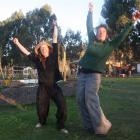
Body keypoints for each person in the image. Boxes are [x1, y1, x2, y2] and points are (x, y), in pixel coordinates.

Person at [77, 2, 140, 136]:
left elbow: (122, 35)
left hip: (94, 76)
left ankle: (102, 127)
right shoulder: (92, 39)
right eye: (99, 31)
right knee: (80, 99)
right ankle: (88, 126)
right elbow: (88, 25)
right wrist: (90, 11)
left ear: (106, 35)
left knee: (90, 98)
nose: (100, 33)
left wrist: (132, 22)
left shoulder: (110, 45)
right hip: (82, 73)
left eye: (103, 31)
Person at [12, 15, 68, 134]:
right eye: (41, 48)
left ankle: (61, 125)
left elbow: (55, 38)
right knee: (41, 107)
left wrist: (55, 26)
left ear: (48, 48)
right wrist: (17, 43)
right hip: (43, 87)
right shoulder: (37, 59)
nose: (43, 49)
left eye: (45, 48)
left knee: (62, 105)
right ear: (40, 50)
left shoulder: (53, 56)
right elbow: (26, 52)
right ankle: (42, 121)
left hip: (54, 86)